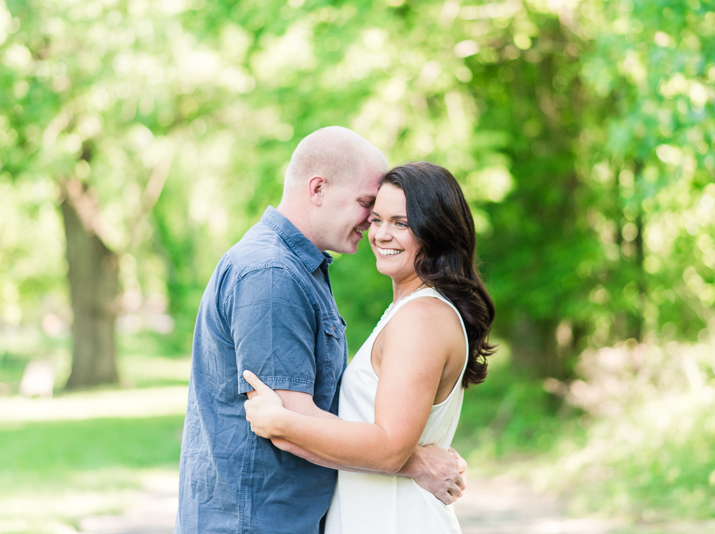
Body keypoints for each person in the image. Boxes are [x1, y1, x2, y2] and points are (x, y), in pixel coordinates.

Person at [175, 130, 467, 534]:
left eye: (397, 220)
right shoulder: (272, 274)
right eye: (369, 206)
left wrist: (402, 453)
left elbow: (303, 421)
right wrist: (416, 461)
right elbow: (292, 424)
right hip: (257, 522)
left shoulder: (301, 271)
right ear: (317, 189)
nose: (373, 225)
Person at [244, 161, 496, 533]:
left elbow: (390, 447)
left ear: (436, 231)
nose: (380, 234)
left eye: (401, 223)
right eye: (376, 219)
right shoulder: (409, 310)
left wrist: (282, 421)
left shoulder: (422, 318)